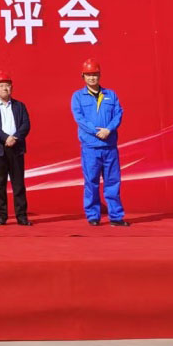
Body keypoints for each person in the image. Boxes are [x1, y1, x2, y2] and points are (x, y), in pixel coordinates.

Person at [70, 58, 128, 227]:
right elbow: (79, 118)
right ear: (83, 76)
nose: (92, 78)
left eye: (95, 74)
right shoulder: (77, 96)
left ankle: (116, 216)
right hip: (90, 147)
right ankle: (93, 215)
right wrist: (96, 131)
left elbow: (118, 114)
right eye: (88, 75)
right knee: (91, 182)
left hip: (109, 146)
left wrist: (108, 129)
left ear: (100, 75)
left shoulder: (111, 95)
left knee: (113, 182)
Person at [0, 70, 31, 226]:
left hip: (16, 148)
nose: (4, 88)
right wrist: (5, 138)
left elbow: (26, 125)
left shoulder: (19, 106)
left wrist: (15, 137)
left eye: (7, 85)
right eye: (1, 85)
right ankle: (1, 216)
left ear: (12, 88)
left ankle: (21, 216)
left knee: (18, 184)